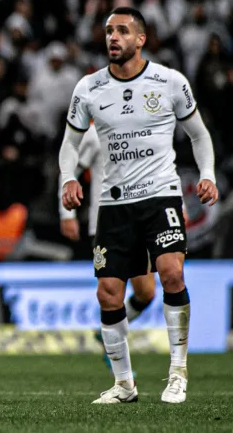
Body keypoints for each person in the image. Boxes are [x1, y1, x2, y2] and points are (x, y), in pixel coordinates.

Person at [59, 6, 218, 404]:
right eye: (109, 31)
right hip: (114, 205)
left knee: (171, 273)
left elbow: (199, 135)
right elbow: (70, 144)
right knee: (109, 294)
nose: (113, 37)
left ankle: (178, 374)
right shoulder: (88, 88)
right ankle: (124, 384)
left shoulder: (169, 82)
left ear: (141, 39)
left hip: (161, 195)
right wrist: (68, 177)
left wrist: (208, 174)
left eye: (123, 31)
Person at [58, 122, 156, 374]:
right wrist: (66, 213)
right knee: (113, 292)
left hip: (140, 223)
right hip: (105, 224)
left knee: (146, 293)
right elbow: (69, 171)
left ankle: (106, 336)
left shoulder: (145, 127)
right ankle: (117, 362)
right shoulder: (93, 133)